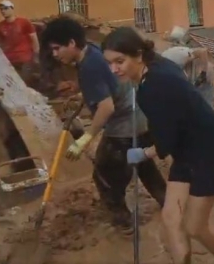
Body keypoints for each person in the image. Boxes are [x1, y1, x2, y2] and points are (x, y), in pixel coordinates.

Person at [102, 27, 214, 264]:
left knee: (195, 227)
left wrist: (143, 153)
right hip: (186, 149)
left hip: (211, 151)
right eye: (110, 63)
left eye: (120, 61)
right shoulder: (154, 69)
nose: (114, 69)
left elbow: (165, 143)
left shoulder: (156, 84)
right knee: (171, 218)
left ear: (138, 54)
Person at [40, 18, 167, 233]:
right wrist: (84, 96)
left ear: (71, 43)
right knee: (144, 163)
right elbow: (108, 84)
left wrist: (86, 138)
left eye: (56, 48)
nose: (55, 54)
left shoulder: (89, 66)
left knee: (104, 174)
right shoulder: (92, 50)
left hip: (124, 125)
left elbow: (106, 108)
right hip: (140, 116)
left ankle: (123, 223)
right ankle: (168, 201)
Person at [0, 0, 39, 85]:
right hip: (10, 60)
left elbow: (34, 38)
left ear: (12, 9)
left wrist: (36, 55)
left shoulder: (24, 22)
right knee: (13, 84)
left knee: (24, 83)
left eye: (6, 8)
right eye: (1, 9)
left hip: (25, 59)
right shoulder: (0, 26)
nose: (3, 11)